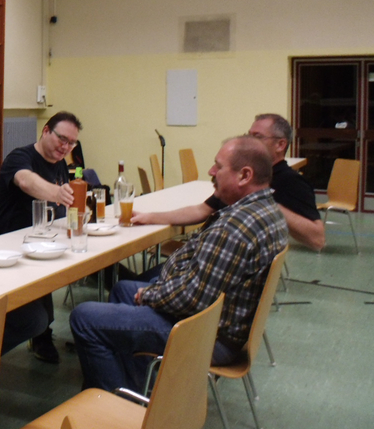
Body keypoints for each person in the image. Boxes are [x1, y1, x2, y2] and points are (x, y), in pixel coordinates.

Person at [69, 136, 288, 393]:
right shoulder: (266, 210)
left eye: (218, 166)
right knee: (122, 289)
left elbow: (192, 299)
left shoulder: (235, 228)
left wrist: (150, 294)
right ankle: (137, 389)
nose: (211, 171)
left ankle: (119, 406)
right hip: (221, 323)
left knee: (83, 317)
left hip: (207, 335)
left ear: (245, 175)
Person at [132, 113, 325, 251]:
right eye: (249, 135)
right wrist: (150, 217)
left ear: (280, 144)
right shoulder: (239, 178)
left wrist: (265, 203)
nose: (249, 141)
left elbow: (317, 239)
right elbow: (201, 210)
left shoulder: (291, 182)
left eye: (257, 137)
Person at [0, 111, 82, 363]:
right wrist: (57, 193)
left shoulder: (61, 163)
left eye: (71, 143)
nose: (65, 147)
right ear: (45, 131)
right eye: (61, 139)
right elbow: (26, 181)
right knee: (34, 319)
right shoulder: (20, 157)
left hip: (46, 241)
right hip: (14, 247)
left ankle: (47, 334)